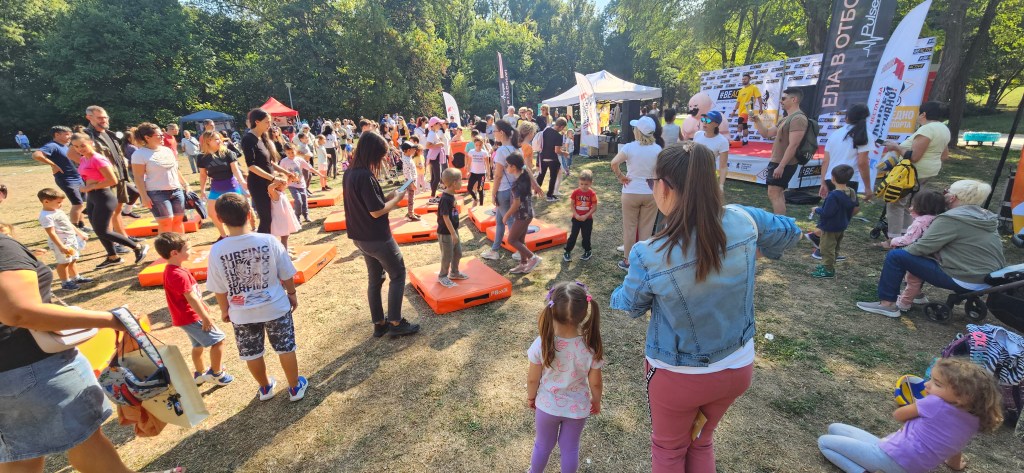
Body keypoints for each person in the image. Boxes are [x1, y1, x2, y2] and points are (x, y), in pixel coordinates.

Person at [611, 142, 801, 473]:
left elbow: (630, 304)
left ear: (665, 187)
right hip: (737, 365)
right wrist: (755, 251)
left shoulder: (648, 253)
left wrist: (613, 294)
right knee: (701, 442)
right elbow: (791, 232)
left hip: (679, 375)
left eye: (653, 182)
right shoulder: (744, 219)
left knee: (669, 451)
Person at [0, 234, 184, 473]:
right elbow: (19, 312)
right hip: (35, 370)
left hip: (14, 375)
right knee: (86, 441)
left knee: (22, 455)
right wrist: (110, 320)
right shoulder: (3, 247)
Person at [206, 193, 308, 402]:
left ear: (220, 219)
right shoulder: (268, 240)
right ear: (249, 214)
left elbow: (218, 288)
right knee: (285, 347)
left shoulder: (217, 250)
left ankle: (265, 387)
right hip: (275, 306)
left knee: (252, 353)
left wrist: (224, 309)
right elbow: (286, 273)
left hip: (241, 312)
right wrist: (291, 293)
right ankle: (294, 387)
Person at [817, 358, 1003, 473]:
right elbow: (956, 448)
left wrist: (917, 406)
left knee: (824, 442)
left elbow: (899, 414)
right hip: (910, 464)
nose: (927, 385)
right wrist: (955, 465)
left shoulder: (934, 404)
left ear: (962, 396)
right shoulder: (973, 420)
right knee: (835, 428)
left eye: (937, 384)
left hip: (892, 458)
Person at [857, 180, 1006, 318]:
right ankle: (916, 294)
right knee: (919, 256)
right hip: (988, 279)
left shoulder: (952, 219)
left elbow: (921, 248)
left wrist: (896, 244)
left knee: (896, 256)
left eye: (946, 191)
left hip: (965, 278)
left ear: (952, 198)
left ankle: (887, 304)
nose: (944, 194)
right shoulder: (984, 217)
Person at [342, 132, 421, 339]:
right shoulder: (365, 176)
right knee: (398, 274)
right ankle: (395, 322)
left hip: (360, 237)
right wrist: (397, 200)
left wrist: (390, 196)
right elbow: (376, 212)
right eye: (381, 156)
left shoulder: (350, 173)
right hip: (377, 237)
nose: (382, 160)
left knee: (375, 279)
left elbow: (371, 203)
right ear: (372, 153)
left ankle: (379, 323)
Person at [526, 281, 603, 473]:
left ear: (551, 311)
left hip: (547, 406)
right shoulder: (590, 346)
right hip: (577, 409)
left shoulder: (542, 343)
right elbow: (595, 383)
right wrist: (596, 400)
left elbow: (533, 379)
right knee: (570, 449)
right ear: (584, 314)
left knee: (542, 445)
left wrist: (531, 397)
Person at [154, 232, 234, 386]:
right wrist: (205, 317)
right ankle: (216, 373)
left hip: (184, 317)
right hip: (191, 317)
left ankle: (199, 373)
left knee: (197, 345)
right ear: (175, 253)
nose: (192, 251)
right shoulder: (178, 274)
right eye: (188, 249)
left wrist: (203, 306)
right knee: (218, 341)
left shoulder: (173, 270)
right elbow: (191, 298)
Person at [72, 133, 150, 268]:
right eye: (76, 146)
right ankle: (113, 257)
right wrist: (85, 187)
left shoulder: (98, 159)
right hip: (92, 197)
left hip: (103, 196)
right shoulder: (84, 159)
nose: (80, 149)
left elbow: (112, 180)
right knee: (98, 230)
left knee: (103, 231)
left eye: (82, 145)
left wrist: (90, 187)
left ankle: (137, 247)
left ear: (91, 143)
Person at [882, 101, 951, 237]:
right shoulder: (944, 129)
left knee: (895, 203)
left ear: (923, 114)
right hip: (927, 172)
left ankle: (894, 239)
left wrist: (896, 147)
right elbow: (945, 155)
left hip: (912, 172)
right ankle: (908, 235)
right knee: (910, 204)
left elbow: (914, 157)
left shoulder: (927, 129)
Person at [874, 190, 946, 311]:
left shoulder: (920, 222)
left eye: (913, 204)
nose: (910, 207)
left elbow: (909, 239)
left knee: (913, 279)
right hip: (933, 255)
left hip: (920, 254)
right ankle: (918, 296)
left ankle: (904, 303)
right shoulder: (938, 219)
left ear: (922, 206)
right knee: (917, 278)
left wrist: (894, 241)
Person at [610, 116, 662, 271]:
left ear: (638, 131)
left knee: (630, 228)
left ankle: (628, 261)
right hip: (650, 193)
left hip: (631, 191)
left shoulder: (630, 147)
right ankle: (641, 261)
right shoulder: (658, 149)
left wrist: (620, 176)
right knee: (647, 228)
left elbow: (614, 163)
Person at [750, 87, 808, 215]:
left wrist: (781, 166)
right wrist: (757, 121)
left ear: (794, 99)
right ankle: (782, 222)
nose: (781, 101)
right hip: (777, 161)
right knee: (777, 193)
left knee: (774, 193)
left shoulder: (798, 118)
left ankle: (780, 223)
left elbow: (794, 145)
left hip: (784, 163)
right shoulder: (785, 118)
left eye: (783, 98)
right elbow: (767, 133)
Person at [241, 108, 295, 235]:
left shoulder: (263, 137)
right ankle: (262, 245)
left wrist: (286, 173)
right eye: (267, 122)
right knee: (266, 219)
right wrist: (273, 178)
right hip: (258, 184)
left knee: (275, 217)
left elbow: (269, 162)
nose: (269, 125)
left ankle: (273, 243)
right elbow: (251, 166)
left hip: (270, 182)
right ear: (257, 122)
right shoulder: (248, 139)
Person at [131, 123, 191, 234]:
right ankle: (166, 245)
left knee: (178, 221)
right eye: (159, 135)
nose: (163, 137)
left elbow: (175, 169)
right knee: (166, 222)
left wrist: (185, 184)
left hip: (176, 190)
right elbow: (138, 177)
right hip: (157, 193)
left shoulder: (167, 150)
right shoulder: (139, 154)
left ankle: (181, 244)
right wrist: (144, 196)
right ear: (147, 137)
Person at [32, 126, 89, 231]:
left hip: (77, 177)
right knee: (77, 204)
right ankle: (75, 229)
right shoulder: (52, 145)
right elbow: (36, 155)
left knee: (80, 203)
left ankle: (81, 225)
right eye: (67, 134)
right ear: (57, 135)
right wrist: (53, 164)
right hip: (67, 179)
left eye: (70, 134)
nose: (70, 136)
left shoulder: (66, 146)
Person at [808, 165, 859, 279]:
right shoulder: (851, 192)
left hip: (830, 227)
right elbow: (854, 206)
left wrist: (816, 209)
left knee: (826, 248)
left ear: (833, 178)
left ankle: (827, 269)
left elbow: (827, 213)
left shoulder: (833, 196)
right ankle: (829, 265)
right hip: (842, 225)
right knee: (835, 247)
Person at [197, 131, 248, 240]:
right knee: (212, 213)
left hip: (231, 185)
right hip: (216, 187)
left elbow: (235, 170)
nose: (219, 141)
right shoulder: (201, 157)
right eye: (216, 139)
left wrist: (243, 182)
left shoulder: (228, 153)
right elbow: (203, 175)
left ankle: (242, 233)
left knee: (238, 211)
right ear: (208, 141)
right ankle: (223, 235)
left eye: (219, 138)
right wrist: (202, 190)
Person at [37, 188, 91, 291]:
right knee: (64, 262)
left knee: (73, 259)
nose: (61, 205)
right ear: (46, 202)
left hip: (71, 240)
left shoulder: (58, 211)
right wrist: (61, 246)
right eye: (58, 202)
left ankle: (76, 277)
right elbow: (51, 233)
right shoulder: (46, 216)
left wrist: (79, 233)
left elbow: (69, 224)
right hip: (62, 242)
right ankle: (65, 282)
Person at [820, 103, 872, 200]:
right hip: (849, 179)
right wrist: (868, 187)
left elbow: (825, 161)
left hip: (831, 178)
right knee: (847, 208)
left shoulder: (835, 134)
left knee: (835, 207)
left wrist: (823, 182)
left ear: (848, 117)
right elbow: (862, 163)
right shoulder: (865, 135)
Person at [503, 153, 542, 274]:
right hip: (527, 213)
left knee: (511, 240)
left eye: (507, 165)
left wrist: (506, 215)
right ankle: (523, 263)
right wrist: (536, 185)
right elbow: (526, 168)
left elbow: (516, 203)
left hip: (522, 216)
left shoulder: (517, 184)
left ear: (514, 167)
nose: (506, 167)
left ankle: (533, 258)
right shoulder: (524, 175)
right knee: (520, 240)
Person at [436, 168, 467, 288]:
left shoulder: (451, 195)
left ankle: (454, 272)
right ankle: (442, 276)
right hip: (446, 233)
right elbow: (445, 217)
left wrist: (455, 232)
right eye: (460, 180)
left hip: (453, 231)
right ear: (454, 183)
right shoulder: (445, 198)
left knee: (457, 253)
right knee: (447, 256)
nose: (462, 182)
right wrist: (453, 234)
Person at [279, 143, 321, 224]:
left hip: (302, 184)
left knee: (304, 200)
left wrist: (319, 174)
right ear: (285, 153)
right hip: (292, 185)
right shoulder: (284, 161)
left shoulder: (299, 160)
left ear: (295, 151)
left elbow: (309, 168)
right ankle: (297, 217)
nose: (291, 154)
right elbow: (280, 172)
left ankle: (306, 215)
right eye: (288, 153)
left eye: (292, 152)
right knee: (298, 200)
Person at [563, 170, 597, 262]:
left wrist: (586, 215)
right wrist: (576, 215)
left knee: (586, 236)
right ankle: (567, 251)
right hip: (576, 219)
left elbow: (594, 207)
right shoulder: (575, 192)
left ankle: (587, 251)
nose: (583, 186)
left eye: (586, 184)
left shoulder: (592, 194)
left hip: (587, 220)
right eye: (581, 184)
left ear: (591, 183)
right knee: (573, 235)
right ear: (579, 182)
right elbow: (572, 205)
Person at [693, 112, 731, 190]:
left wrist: (721, 185)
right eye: (703, 120)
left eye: (708, 121)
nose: (704, 122)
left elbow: (723, 166)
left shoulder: (722, 141)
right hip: (692, 173)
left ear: (716, 124)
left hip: (708, 176)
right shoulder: (697, 135)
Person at [267, 172, 301, 249]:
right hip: (280, 220)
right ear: (279, 185)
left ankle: (285, 249)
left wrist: (292, 177)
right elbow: (270, 188)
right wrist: (277, 182)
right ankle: (284, 252)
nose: (286, 184)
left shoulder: (281, 191)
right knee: (284, 237)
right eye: (284, 183)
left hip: (285, 218)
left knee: (286, 236)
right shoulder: (275, 194)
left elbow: (288, 182)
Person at [536, 118, 567, 202]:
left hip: (542, 156)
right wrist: (564, 153)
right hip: (552, 159)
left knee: (541, 175)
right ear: (562, 127)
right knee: (553, 177)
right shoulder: (558, 136)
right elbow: (557, 151)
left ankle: (535, 191)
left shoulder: (546, 130)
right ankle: (549, 196)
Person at [731, 73, 764, 145]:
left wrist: (761, 108)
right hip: (741, 109)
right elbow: (738, 102)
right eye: (743, 79)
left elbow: (759, 98)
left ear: (749, 79)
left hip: (749, 108)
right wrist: (734, 111)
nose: (744, 80)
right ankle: (745, 140)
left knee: (740, 120)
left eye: (745, 79)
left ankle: (738, 135)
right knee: (744, 125)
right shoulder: (741, 90)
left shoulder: (754, 87)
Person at [425, 117, 448, 201]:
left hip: (434, 157)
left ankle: (433, 196)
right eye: (439, 124)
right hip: (434, 158)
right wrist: (439, 144)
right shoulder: (432, 133)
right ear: (434, 125)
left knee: (434, 177)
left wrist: (439, 144)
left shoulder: (434, 132)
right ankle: (432, 197)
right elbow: (427, 146)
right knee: (437, 178)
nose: (440, 125)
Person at [398, 141, 421, 220]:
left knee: (412, 197)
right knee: (411, 198)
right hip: (410, 181)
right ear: (408, 150)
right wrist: (412, 183)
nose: (415, 151)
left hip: (411, 180)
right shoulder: (406, 160)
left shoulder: (408, 157)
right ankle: (410, 214)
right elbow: (408, 174)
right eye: (413, 149)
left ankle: (411, 212)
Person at [466, 136, 490, 206]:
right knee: (469, 188)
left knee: (480, 189)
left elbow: (487, 164)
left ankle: (481, 205)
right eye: (477, 145)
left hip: (482, 174)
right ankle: (475, 198)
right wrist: (468, 171)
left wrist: (488, 173)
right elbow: (469, 163)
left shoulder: (484, 153)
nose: (478, 147)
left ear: (482, 144)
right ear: (474, 144)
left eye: (480, 145)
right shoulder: (471, 152)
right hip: (473, 173)